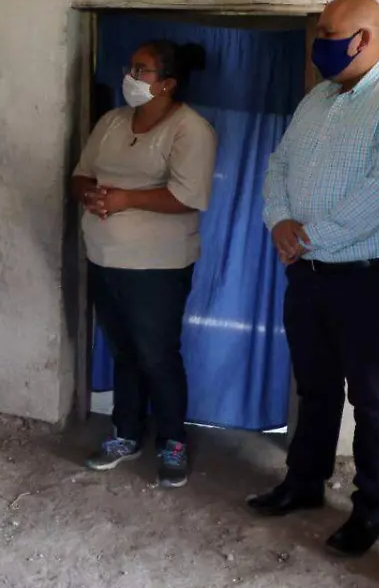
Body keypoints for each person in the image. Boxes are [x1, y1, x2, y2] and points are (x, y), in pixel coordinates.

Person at [250, 0, 379, 557]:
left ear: (364, 38)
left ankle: (371, 511)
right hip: (309, 274)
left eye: (329, 34)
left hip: (369, 277)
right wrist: (279, 220)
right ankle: (304, 482)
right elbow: (280, 164)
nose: (319, 43)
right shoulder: (317, 98)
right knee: (314, 387)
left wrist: (305, 237)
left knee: (372, 397)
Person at [72, 41, 216, 488]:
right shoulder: (112, 122)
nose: (130, 76)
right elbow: (81, 174)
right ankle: (126, 434)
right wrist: (91, 195)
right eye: (130, 67)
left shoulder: (190, 129)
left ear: (167, 84)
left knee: (157, 353)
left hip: (158, 266)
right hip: (104, 257)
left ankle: (173, 442)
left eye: (142, 70)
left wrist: (125, 199)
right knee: (124, 351)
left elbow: (189, 196)